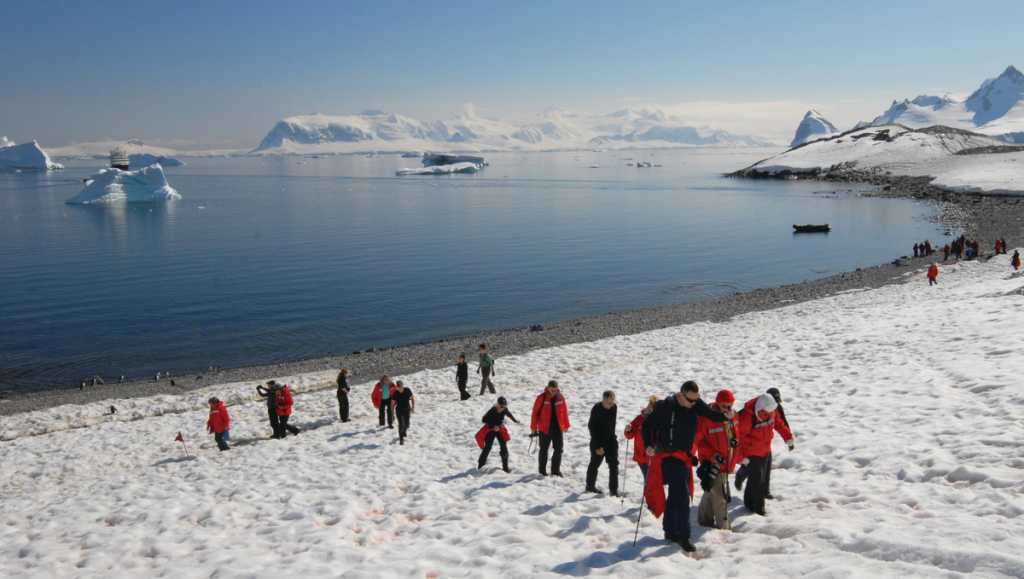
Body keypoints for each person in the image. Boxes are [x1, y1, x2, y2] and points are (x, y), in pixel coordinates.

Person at [641, 381, 727, 552]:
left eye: (697, 400)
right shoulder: (664, 407)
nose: (694, 404)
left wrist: (726, 416)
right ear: (681, 395)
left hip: (683, 458)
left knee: (677, 496)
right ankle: (683, 536)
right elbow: (647, 425)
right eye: (691, 400)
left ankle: (671, 531)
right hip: (664, 456)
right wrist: (649, 444)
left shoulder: (696, 404)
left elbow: (711, 415)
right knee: (680, 496)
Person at [734, 393, 793, 516]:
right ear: (761, 407)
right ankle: (758, 509)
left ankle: (749, 503)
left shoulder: (771, 409)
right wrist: (740, 458)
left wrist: (788, 437)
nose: (770, 412)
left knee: (755, 480)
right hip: (752, 453)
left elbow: (779, 424)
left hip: (765, 450)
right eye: (768, 410)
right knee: (758, 482)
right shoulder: (747, 416)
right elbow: (737, 438)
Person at [694, 389, 738, 530]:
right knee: (720, 496)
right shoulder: (706, 418)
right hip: (712, 462)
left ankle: (703, 519)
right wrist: (712, 455)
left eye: (730, 405)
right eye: (725, 406)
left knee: (710, 489)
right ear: (718, 403)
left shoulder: (732, 416)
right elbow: (698, 442)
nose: (728, 408)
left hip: (727, 461)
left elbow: (737, 434)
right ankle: (723, 527)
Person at [531, 380, 570, 476]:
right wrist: (533, 428)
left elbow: (564, 412)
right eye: (551, 390)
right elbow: (534, 413)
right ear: (547, 388)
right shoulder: (542, 398)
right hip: (545, 428)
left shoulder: (560, 398)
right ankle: (542, 471)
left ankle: (555, 470)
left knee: (559, 449)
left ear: (557, 389)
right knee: (544, 449)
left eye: (555, 390)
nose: (553, 392)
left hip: (557, 428)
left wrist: (566, 425)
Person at [585, 390, 619, 495]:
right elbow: (592, 428)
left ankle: (613, 491)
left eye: (612, 401)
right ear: (603, 400)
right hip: (598, 441)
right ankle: (590, 486)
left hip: (611, 441)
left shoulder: (614, 407)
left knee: (614, 466)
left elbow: (610, 426)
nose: (611, 404)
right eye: (609, 402)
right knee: (594, 464)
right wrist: (598, 446)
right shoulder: (596, 409)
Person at [763, 387, 792, 500]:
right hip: (753, 447)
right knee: (755, 471)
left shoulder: (775, 410)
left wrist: (788, 439)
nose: (775, 404)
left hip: (765, 445)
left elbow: (781, 424)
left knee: (766, 468)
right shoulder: (757, 410)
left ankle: (765, 491)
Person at [477, 396, 519, 471]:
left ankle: (505, 467)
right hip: (490, 429)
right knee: (488, 447)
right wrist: (493, 426)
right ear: (497, 404)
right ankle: (480, 465)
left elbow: (509, 415)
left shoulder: (505, 409)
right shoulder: (493, 410)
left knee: (504, 447)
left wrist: (515, 421)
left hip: (500, 429)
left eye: (504, 406)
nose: (502, 408)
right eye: (501, 406)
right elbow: (484, 419)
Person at [624, 396, 658, 478]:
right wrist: (628, 430)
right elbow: (629, 435)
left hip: (652, 456)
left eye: (652, 407)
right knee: (648, 478)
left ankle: (648, 490)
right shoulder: (639, 419)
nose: (649, 409)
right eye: (648, 406)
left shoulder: (658, 421)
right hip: (641, 456)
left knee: (650, 479)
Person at [391, 380, 415, 445]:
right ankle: (401, 439)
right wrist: (392, 414)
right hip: (399, 410)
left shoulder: (407, 390)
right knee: (401, 424)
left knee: (407, 424)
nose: (399, 388)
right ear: (396, 387)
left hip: (407, 409)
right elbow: (392, 404)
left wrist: (413, 407)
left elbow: (412, 398)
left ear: (402, 386)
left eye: (401, 386)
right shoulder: (395, 393)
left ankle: (404, 431)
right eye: (398, 387)